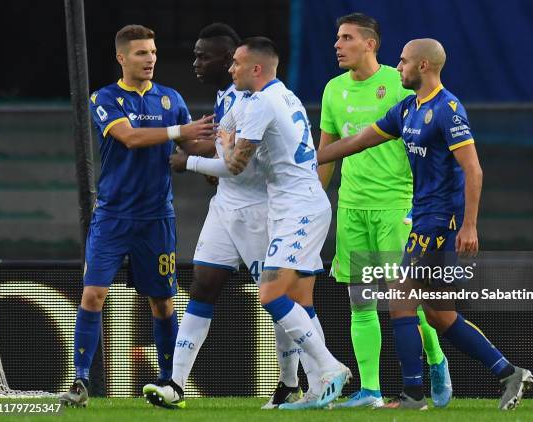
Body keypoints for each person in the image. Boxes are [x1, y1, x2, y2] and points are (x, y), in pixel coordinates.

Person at [316, 38, 533, 410]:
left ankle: (413, 395)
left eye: (403, 63)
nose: (397, 67)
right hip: (424, 220)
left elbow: (473, 169)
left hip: (440, 222)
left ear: (423, 67)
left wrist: (469, 226)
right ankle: (509, 372)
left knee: (400, 299)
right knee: (438, 313)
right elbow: (359, 141)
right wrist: (310, 159)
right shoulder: (407, 109)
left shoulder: (448, 110)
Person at [141, 23, 303, 410]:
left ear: (232, 59)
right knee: (203, 286)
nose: (196, 62)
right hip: (225, 208)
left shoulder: (249, 99)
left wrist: (189, 161)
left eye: (205, 56)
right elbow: (223, 149)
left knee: (276, 298)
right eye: (196, 54)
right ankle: (175, 384)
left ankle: (292, 382)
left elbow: (238, 165)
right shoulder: (225, 97)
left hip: (258, 211)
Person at [59, 24, 215, 407]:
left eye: (153, 52)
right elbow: (128, 137)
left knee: (162, 303)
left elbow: (191, 141)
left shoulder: (169, 98)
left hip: (156, 219)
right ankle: (80, 382)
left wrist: (227, 141)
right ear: (121, 57)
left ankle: (167, 383)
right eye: (142, 53)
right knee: (93, 294)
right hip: (112, 217)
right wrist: (181, 129)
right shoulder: (105, 98)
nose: (150, 60)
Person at [317, 13, 451, 408]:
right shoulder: (333, 90)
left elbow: (429, 136)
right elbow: (327, 153)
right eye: (337, 38)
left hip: (396, 206)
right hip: (352, 206)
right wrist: (315, 199)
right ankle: (371, 390)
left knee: (405, 300)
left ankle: (436, 361)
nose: (338, 45)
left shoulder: (398, 83)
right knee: (360, 300)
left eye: (346, 38)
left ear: (370, 44)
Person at [219, 36, 351, 410]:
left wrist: (199, 159)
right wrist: (222, 138)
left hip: (299, 209)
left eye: (237, 64)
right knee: (299, 299)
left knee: (270, 293)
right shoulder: (276, 95)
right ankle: (317, 389)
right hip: (292, 205)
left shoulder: (262, 103)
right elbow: (223, 128)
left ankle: (329, 367)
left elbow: (235, 162)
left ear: (256, 69)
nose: (231, 70)